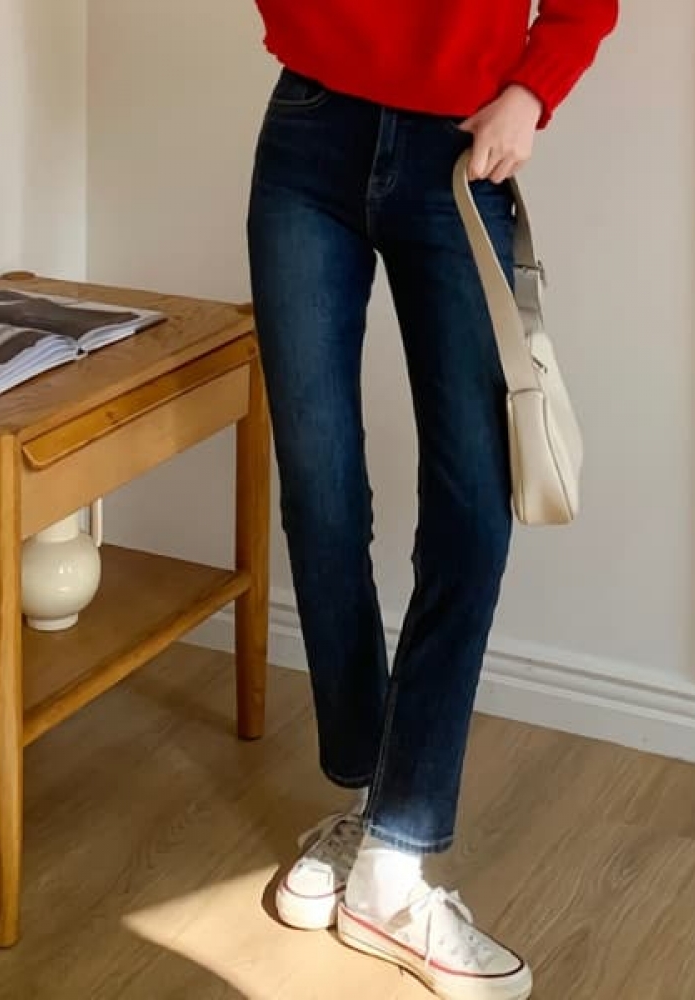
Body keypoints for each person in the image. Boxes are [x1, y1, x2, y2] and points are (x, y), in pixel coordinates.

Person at [247, 3, 617, 997]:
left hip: (459, 143)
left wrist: (531, 90)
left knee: (471, 509)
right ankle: (374, 810)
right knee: (319, 493)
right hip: (308, 130)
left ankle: (396, 845)